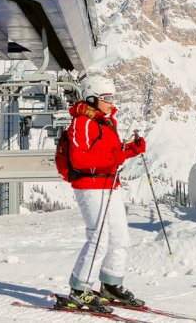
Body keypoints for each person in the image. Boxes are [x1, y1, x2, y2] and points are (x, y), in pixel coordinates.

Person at [60, 75, 146, 314]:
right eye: (106, 98)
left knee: (120, 237)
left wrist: (131, 150)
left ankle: (110, 284)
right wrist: (116, 157)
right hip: (90, 186)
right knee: (98, 237)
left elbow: (112, 154)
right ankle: (79, 289)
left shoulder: (107, 122)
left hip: (110, 185)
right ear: (91, 98)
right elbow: (80, 159)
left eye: (112, 97)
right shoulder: (82, 123)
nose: (111, 102)